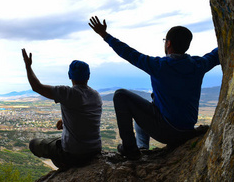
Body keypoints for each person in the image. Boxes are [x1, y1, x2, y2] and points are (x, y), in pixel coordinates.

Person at [88, 16, 220, 160]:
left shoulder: (159, 66)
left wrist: (104, 35)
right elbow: (216, 54)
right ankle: (142, 147)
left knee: (120, 95)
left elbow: (128, 52)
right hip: (187, 131)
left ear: (168, 43)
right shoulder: (198, 65)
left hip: (168, 131)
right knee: (147, 107)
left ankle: (130, 148)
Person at [21, 48, 102, 169]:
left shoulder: (68, 93)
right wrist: (65, 122)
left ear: (69, 75)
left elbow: (37, 87)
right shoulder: (96, 96)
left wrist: (28, 66)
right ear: (88, 76)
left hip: (74, 155)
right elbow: (85, 118)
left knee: (34, 144)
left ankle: (64, 164)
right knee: (57, 140)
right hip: (95, 150)